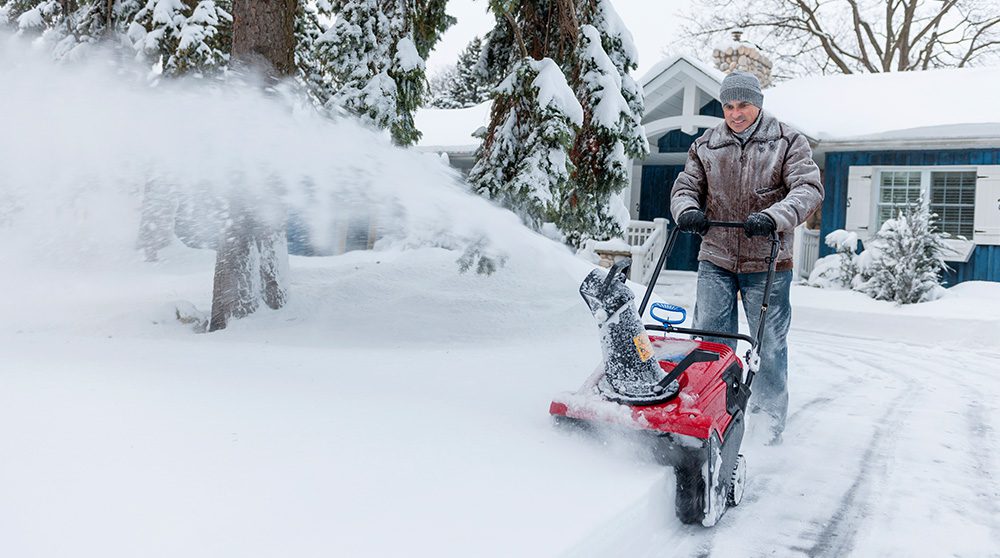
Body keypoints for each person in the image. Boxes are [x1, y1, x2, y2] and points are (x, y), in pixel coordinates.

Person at [670, 71, 824, 444]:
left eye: (743, 105)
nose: (735, 113)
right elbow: (685, 187)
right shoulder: (706, 145)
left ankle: (767, 427)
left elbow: (808, 189)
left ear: (758, 103)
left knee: (768, 345)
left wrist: (773, 217)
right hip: (716, 257)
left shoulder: (787, 141)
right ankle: (708, 414)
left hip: (768, 260)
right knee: (711, 341)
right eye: (729, 105)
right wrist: (686, 210)